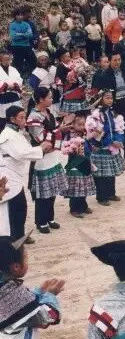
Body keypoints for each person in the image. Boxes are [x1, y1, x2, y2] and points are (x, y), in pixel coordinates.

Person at [0, 233, 64, 339]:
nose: (27, 261)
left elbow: (18, 309)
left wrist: (38, 293)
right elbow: (47, 318)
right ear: (16, 267)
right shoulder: (12, 293)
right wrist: (50, 296)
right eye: (26, 258)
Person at [0, 107, 49, 241]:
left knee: (20, 207)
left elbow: (25, 150)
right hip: (8, 175)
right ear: (12, 119)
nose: (24, 120)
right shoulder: (6, 135)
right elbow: (20, 154)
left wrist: (39, 150)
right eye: (21, 117)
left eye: (24, 117)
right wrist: (40, 149)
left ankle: (19, 235)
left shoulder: (17, 133)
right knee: (13, 208)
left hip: (16, 174)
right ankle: (14, 238)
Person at [27, 88, 71, 234]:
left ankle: (50, 218)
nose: (52, 99)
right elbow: (42, 139)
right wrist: (59, 131)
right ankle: (41, 221)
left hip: (52, 156)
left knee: (51, 190)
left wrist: (63, 127)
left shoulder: (48, 112)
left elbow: (54, 130)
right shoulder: (33, 117)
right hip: (42, 159)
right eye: (49, 97)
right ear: (41, 99)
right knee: (43, 192)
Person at [91, 53, 125, 161]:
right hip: (114, 105)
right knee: (114, 129)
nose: (117, 62)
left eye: (119, 60)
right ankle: (115, 153)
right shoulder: (104, 75)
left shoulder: (124, 72)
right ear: (110, 61)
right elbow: (99, 91)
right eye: (115, 60)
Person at [87, 90, 125, 207]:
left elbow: (117, 128)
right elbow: (96, 133)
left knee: (110, 172)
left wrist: (118, 140)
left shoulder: (111, 112)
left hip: (111, 147)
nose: (110, 100)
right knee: (101, 174)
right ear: (100, 99)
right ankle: (101, 197)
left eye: (111, 98)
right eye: (107, 98)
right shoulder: (95, 115)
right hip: (101, 147)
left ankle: (111, 193)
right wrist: (111, 141)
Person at [0, 51, 23, 133]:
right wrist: (6, 85)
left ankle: (16, 131)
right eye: (5, 59)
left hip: (14, 95)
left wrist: (15, 85)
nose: (8, 61)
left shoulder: (13, 69)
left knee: (15, 114)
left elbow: (19, 80)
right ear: (1, 59)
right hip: (2, 97)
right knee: (3, 116)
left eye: (9, 59)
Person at [8, 7, 34, 77]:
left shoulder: (27, 24)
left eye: (21, 15)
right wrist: (24, 34)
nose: (20, 17)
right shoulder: (12, 25)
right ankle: (19, 77)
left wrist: (19, 34)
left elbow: (30, 35)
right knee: (18, 63)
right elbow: (14, 37)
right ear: (15, 16)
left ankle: (29, 75)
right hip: (16, 46)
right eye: (18, 15)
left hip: (26, 46)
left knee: (31, 61)